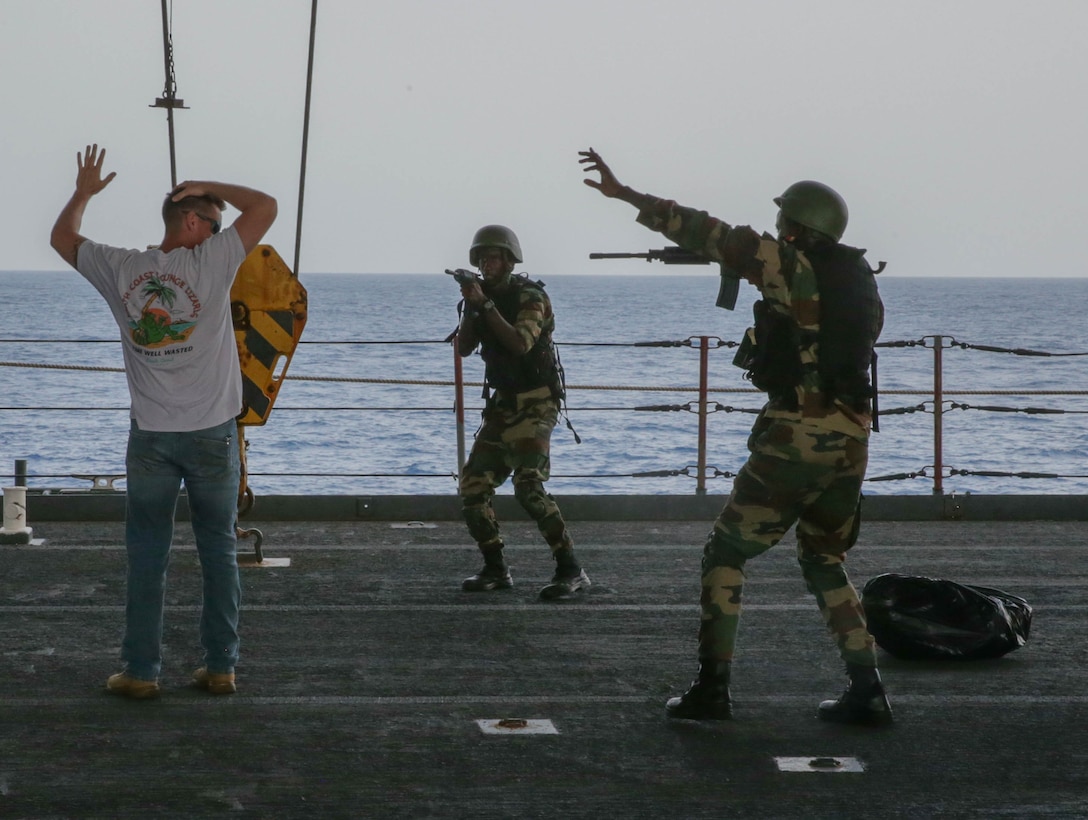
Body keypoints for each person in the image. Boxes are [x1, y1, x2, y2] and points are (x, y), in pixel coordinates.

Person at [579, 147, 890, 725]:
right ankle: (867, 687)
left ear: (798, 226)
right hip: (852, 437)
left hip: (798, 433)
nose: (777, 229)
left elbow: (708, 231)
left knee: (725, 551)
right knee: (824, 559)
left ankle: (712, 687)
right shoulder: (860, 281)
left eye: (783, 222)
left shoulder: (787, 263)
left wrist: (625, 195)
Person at [50, 144, 277, 699]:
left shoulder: (122, 268)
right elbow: (267, 206)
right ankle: (220, 666)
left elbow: (62, 240)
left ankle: (140, 672)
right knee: (218, 549)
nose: (224, 230)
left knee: (147, 554)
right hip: (212, 435)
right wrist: (206, 179)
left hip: (151, 435)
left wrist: (83, 194)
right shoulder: (213, 261)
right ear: (195, 223)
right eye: (216, 221)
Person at [453, 225, 590, 600]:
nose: (486, 263)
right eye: (481, 258)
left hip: (536, 403)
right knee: (473, 487)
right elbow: (464, 348)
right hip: (502, 405)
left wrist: (485, 306)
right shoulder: (482, 299)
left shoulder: (532, 296)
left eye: (493, 256)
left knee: (529, 487)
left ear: (510, 260)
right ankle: (496, 568)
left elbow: (519, 344)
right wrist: (472, 306)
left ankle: (570, 568)